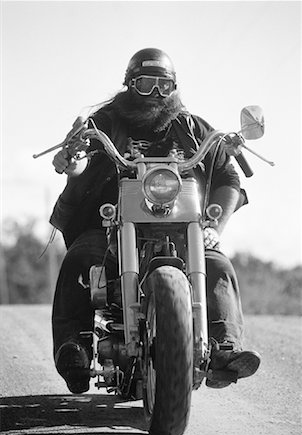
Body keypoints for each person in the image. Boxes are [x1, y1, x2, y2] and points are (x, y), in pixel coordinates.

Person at [50, 48, 261, 394]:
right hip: (111, 227)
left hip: (182, 232)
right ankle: (74, 345)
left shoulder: (192, 127)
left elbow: (228, 177)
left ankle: (224, 346)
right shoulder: (105, 122)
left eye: (164, 85)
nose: (156, 94)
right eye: (146, 84)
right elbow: (82, 160)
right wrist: (73, 162)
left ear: (174, 87)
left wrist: (213, 226)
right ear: (129, 84)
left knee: (218, 265)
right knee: (80, 258)